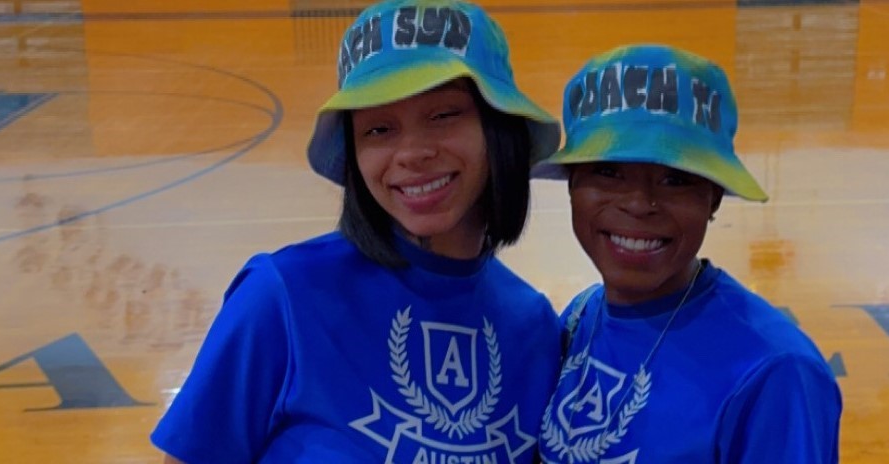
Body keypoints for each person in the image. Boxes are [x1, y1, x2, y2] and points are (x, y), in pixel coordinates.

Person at [150, 1, 564, 462]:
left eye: (444, 115)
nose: (411, 152)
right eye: (378, 129)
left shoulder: (536, 328)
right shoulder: (282, 296)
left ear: (499, 130)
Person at [533, 44, 842, 463]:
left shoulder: (776, 373)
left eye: (674, 179)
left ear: (713, 198)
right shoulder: (582, 315)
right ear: (571, 186)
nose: (639, 203)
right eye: (608, 171)